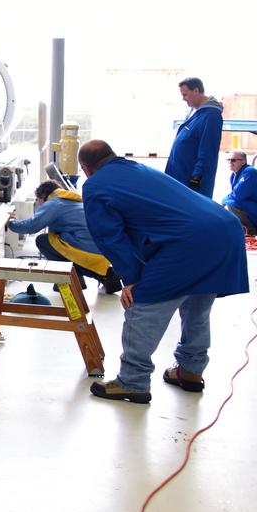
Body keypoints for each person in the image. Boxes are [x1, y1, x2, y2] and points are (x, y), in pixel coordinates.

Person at [78, 140, 248, 404]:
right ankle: (190, 371)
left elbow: (110, 237)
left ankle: (132, 381)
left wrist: (132, 278)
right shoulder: (136, 168)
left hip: (189, 241)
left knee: (142, 305)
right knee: (197, 306)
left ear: (85, 168)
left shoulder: (95, 185)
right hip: (225, 228)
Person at [6, 180, 122, 294]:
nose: (38, 203)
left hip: (86, 248)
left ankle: (70, 279)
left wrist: (12, 222)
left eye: (38, 199)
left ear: (43, 196)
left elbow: (32, 226)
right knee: (59, 238)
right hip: (101, 249)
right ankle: (104, 276)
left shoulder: (54, 204)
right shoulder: (71, 199)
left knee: (43, 241)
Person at [164, 77, 223, 196]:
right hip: (179, 177)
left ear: (196, 91)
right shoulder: (194, 112)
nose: (183, 99)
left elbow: (208, 151)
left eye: (185, 95)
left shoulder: (211, 116)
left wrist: (197, 177)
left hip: (190, 182)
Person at [221, 150, 257, 236]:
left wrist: (224, 200)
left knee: (232, 204)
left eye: (233, 160)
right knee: (230, 203)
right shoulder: (234, 175)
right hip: (251, 205)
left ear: (243, 161)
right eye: (228, 160)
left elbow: (238, 195)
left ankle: (251, 232)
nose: (230, 162)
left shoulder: (249, 172)